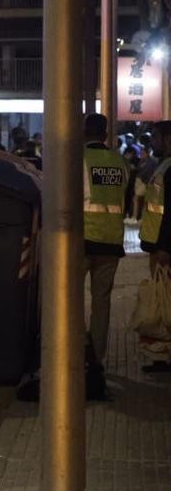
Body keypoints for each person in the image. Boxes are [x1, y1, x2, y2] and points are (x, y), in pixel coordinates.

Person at [82, 114, 127, 385]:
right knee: (102, 303)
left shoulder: (78, 159)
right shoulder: (119, 162)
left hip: (83, 240)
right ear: (106, 134)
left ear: (85, 132)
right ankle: (97, 358)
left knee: (70, 300)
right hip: (112, 242)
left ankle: (78, 350)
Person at [138, 120, 171, 371]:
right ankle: (163, 353)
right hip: (157, 244)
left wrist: (165, 247)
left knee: (165, 301)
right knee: (163, 301)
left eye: (156, 137)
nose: (153, 142)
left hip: (164, 248)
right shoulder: (164, 166)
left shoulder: (170, 169)